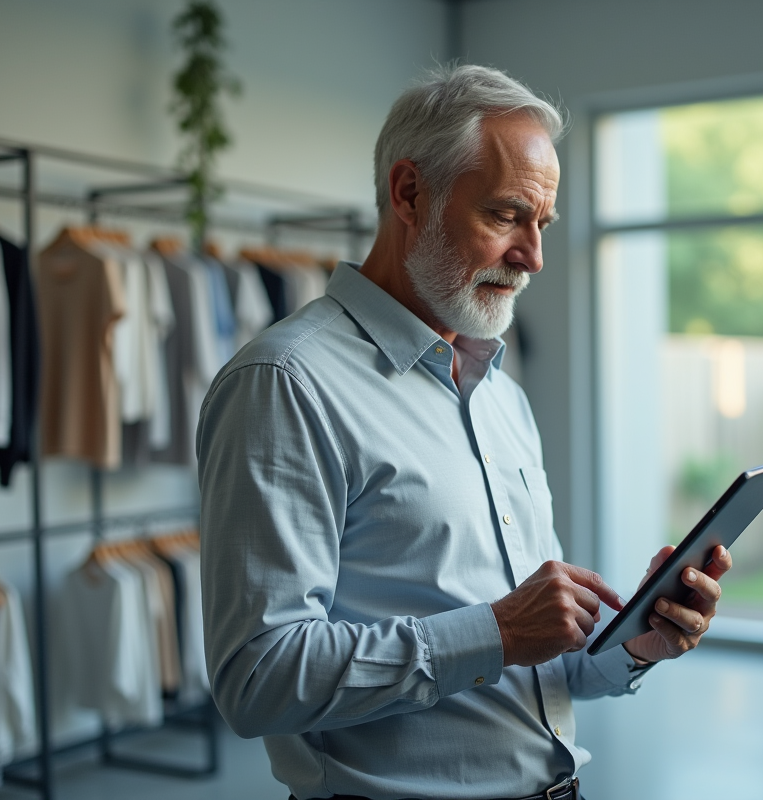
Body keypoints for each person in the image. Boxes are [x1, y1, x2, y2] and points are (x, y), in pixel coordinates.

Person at [197, 64, 732, 800]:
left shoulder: (502, 398)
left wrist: (636, 643)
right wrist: (496, 633)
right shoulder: (286, 384)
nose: (533, 258)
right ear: (409, 193)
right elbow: (256, 679)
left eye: (540, 225)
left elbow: (537, 665)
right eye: (507, 216)